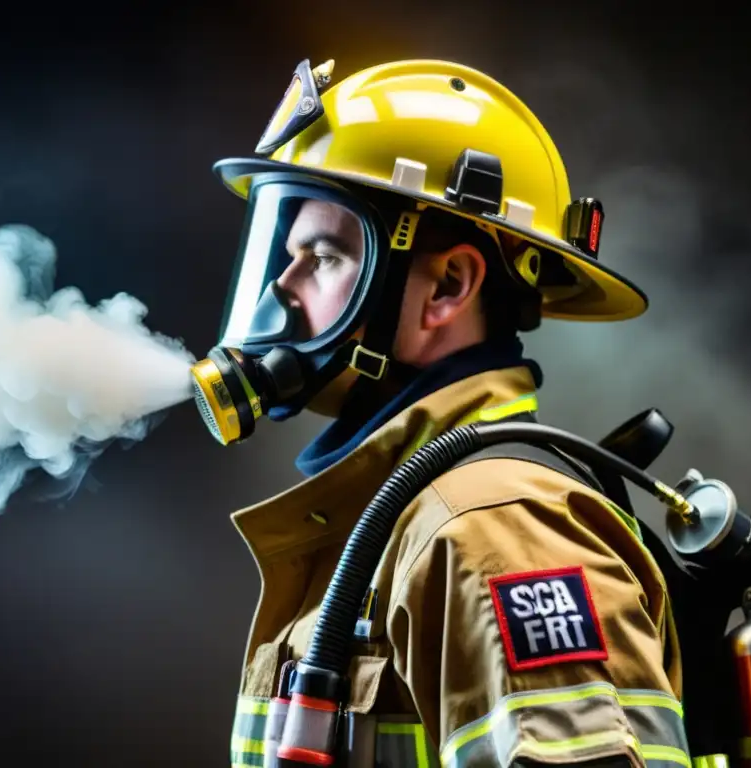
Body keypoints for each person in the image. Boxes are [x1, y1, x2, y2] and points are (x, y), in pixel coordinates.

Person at [193, 58, 693, 768]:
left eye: (326, 256)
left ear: (447, 288)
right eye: (286, 250)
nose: (283, 285)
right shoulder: (404, 519)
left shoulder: (493, 529)